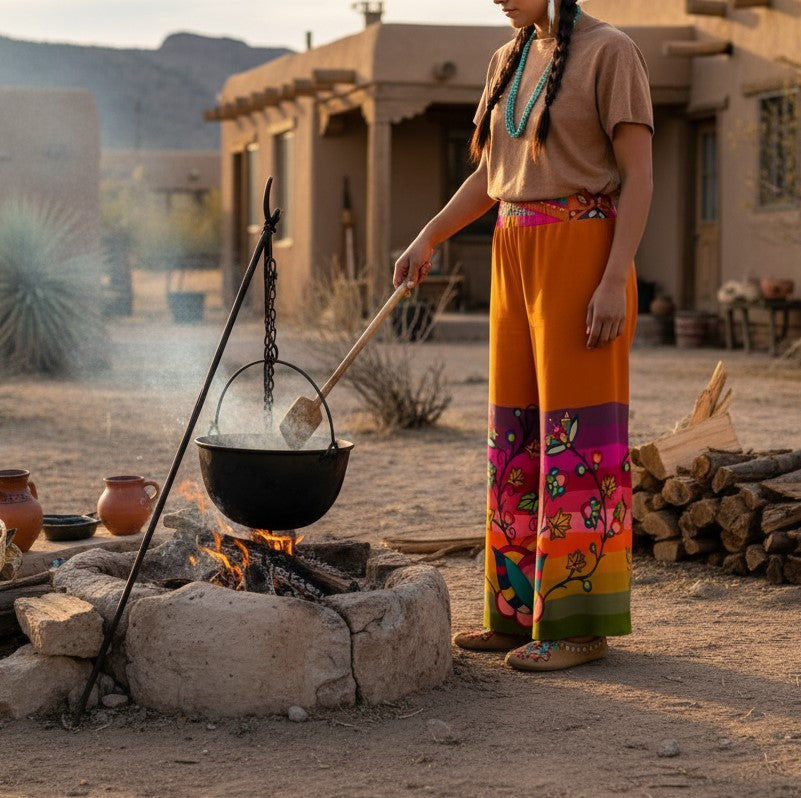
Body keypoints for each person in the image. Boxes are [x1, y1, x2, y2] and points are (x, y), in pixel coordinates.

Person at [393, 0, 653, 671]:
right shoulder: (506, 58)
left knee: (576, 437)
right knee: (516, 436)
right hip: (514, 252)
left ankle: (577, 625)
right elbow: (491, 176)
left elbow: (638, 174)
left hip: (582, 254)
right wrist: (429, 236)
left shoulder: (611, 51)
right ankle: (514, 614)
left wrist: (612, 279)